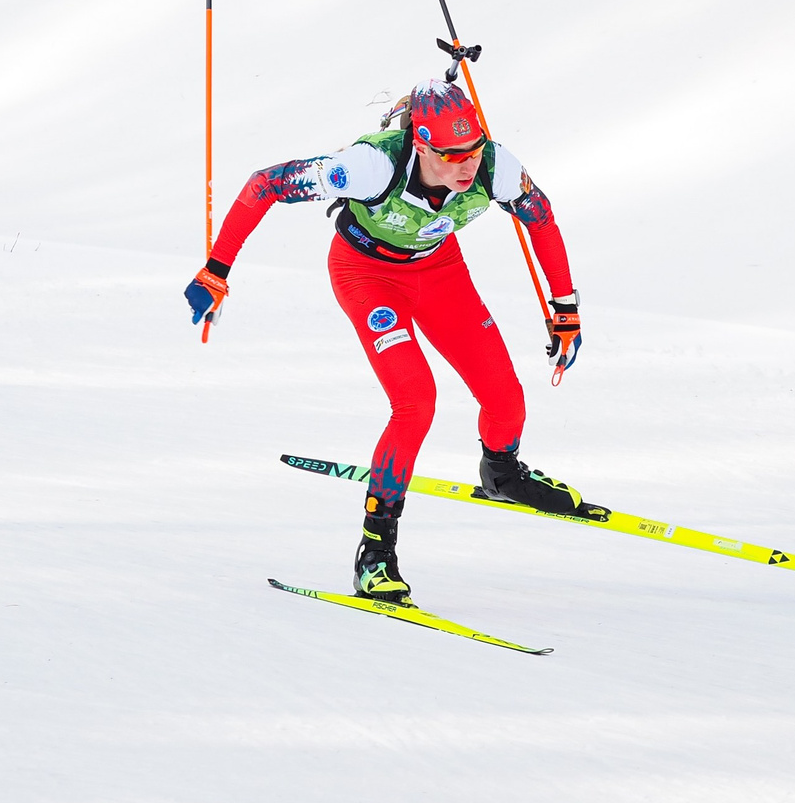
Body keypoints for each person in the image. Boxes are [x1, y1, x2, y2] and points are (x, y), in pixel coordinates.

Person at [186, 76, 587, 605]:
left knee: (505, 396)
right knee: (416, 401)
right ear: (421, 144)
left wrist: (565, 308)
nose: (468, 166)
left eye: (473, 150)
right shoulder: (370, 166)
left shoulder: (495, 165)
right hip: (367, 275)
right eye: (451, 155)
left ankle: (502, 472)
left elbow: (541, 217)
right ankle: (375, 551)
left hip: (440, 271)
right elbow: (264, 184)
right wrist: (217, 270)